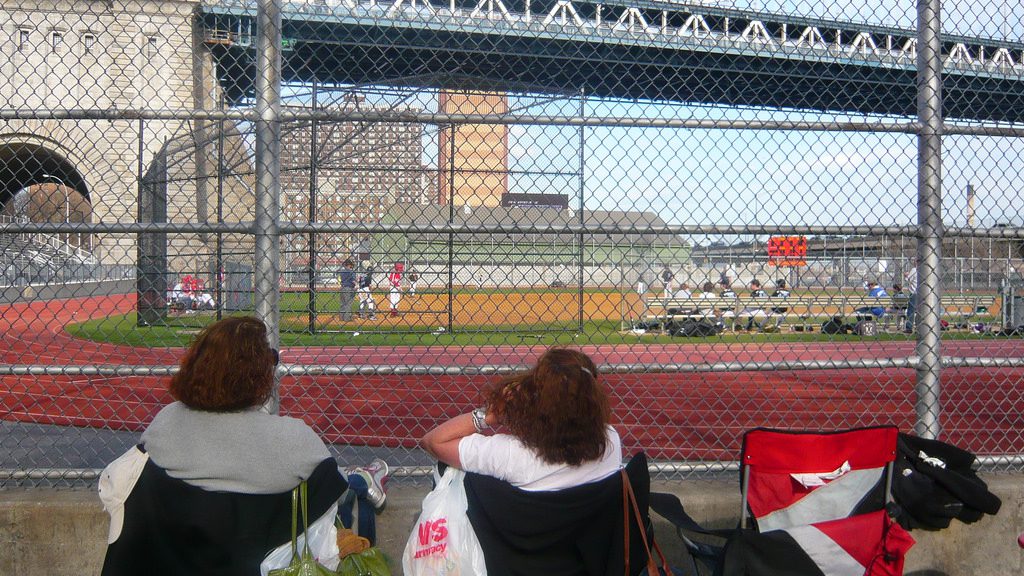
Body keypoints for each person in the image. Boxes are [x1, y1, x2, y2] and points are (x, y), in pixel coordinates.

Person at [98, 317, 389, 576]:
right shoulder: (292, 440)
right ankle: (365, 479)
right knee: (349, 490)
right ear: (259, 375)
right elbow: (333, 500)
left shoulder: (165, 424)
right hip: (258, 562)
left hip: (170, 562)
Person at [421, 348, 630, 574]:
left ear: (536, 400)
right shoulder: (610, 443)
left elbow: (433, 442)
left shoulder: (512, 455)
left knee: (449, 469)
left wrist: (490, 415)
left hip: (514, 564)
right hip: (583, 565)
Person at [904, 263, 918, 333]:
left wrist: (906, 275)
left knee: (911, 311)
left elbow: (908, 279)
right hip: (923, 293)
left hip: (914, 293)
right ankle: (920, 327)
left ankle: (909, 327)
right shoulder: (925, 270)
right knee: (921, 311)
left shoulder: (914, 269)